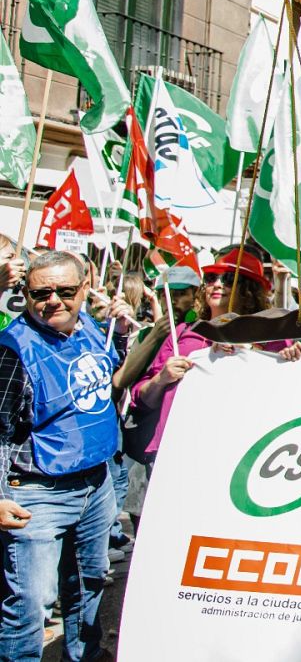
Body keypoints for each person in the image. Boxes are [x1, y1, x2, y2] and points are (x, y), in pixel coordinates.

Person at [0, 251, 135, 662]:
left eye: (65, 290)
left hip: (96, 483)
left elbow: (110, 381)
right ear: (26, 293)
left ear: (84, 289)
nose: (53, 300)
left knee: (90, 584)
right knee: (30, 607)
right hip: (37, 492)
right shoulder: (12, 349)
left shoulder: (94, 327)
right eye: (41, 292)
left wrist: (125, 333)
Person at [126, 251, 301, 465]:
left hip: (237, 458)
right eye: (211, 278)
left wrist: (289, 359)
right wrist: (160, 379)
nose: (217, 285)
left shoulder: (271, 340)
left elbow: (283, 396)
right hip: (175, 455)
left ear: (248, 290)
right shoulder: (182, 333)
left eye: (228, 279)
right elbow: (141, 399)